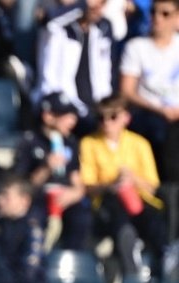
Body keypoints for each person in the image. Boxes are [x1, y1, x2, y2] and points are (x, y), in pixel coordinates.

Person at [80, 95, 170, 279]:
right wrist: (111, 185)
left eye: (112, 116)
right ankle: (131, 273)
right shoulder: (88, 143)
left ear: (125, 118)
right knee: (121, 221)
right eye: (101, 117)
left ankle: (162, 267)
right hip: (107, 204)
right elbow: (88, 186)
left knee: (156, 223)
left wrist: (133, 179)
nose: (106, 122)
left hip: (140, 202)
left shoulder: (140, 144)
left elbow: (152, 187)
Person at [13, 91, 93, 250]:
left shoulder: (70, 143)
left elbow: (77, 181)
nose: (72, 121)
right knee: (35, 218)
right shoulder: (30, 141)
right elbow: (22, 184)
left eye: (73, 116)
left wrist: (74, 194)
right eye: (66, 116)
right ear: (48, 116)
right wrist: (46, 168)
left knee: (81, 218)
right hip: (38, 197)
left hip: (64, 197)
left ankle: (71, 262)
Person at [119, 0, 179, 183]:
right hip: (147, 115)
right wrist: (160, 110)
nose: (157, 18)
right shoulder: (136, 47)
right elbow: (126, 91)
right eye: (153, 12)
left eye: (165, 14)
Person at [35, 0, 115, 131]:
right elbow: (49, 21)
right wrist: (83, 5)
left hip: (93, 106)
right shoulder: (59, 27)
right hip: (59, 103)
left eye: (102, 3)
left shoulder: (102, 29)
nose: (97, 7)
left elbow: (106, 74)